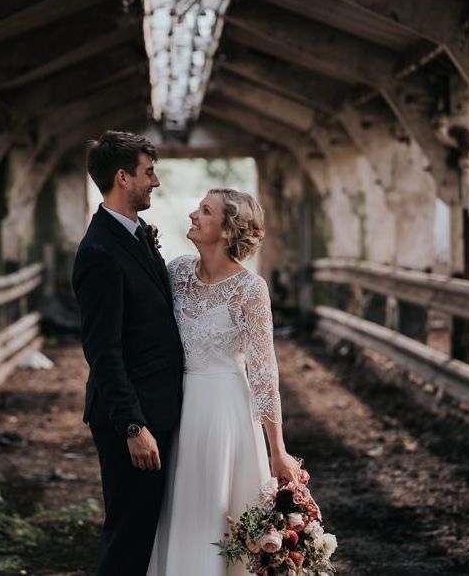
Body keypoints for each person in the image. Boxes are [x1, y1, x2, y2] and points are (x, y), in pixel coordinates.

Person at [147, 188, 301, 576]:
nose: (193, 215)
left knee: (218, 508)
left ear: (229, 231)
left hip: (225, 409)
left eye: (205, 211)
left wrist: (277, 450)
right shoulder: (177, 272)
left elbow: (265, 371)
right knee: (182, 504)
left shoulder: (250, 289)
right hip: (179, 405)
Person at [72, 131, 184, 576]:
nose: (155, 182)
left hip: (159, 406)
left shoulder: (135, 235)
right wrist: (133, 425)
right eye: (148, 172)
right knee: (130, 533)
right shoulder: (99, 251)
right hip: (133, 416)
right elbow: (103, 350)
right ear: (123, 177)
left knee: (149, 528)